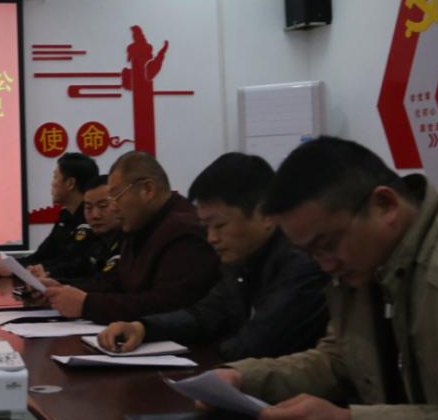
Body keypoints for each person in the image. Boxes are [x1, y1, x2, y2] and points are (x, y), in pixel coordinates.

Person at [210, 137, 438, 420]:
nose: (325, 265)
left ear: (385, 205)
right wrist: (244, 378)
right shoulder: (367, 266)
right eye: (309, 253)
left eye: (328, 244)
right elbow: (339, 361)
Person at [97, 153, 328, 359]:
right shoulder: (241, 260)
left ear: (265, 215)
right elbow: (204, 315)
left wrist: (204, 362)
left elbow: (257, 344)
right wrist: (143, 328)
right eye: (206, 227)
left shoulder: (301, 264)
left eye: (219, 225)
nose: (211, 238)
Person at [43, 150, 219, 324]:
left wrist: (87, 304)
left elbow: (168, 305)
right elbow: (113, 283)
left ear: (148, 190)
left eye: (116, 197)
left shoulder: (183, 230)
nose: (113, 208)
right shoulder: (139, 224)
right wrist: (59, 289)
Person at [0, 153, 97, 278]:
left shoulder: (90, 220)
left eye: (55, 177)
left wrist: (17, 270)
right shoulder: (65, 217)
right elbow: (40, 256)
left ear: (70, 183)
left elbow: (73, 265)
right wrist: (8, 264)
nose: (52, 184)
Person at [39, 175, 123, 284]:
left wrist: (58, 285)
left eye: (103, 206)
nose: (95, 215)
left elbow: (105, 285)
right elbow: (77, 267)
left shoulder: (129, 243)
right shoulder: (96, 241)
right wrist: (46, 274)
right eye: (88, 208)